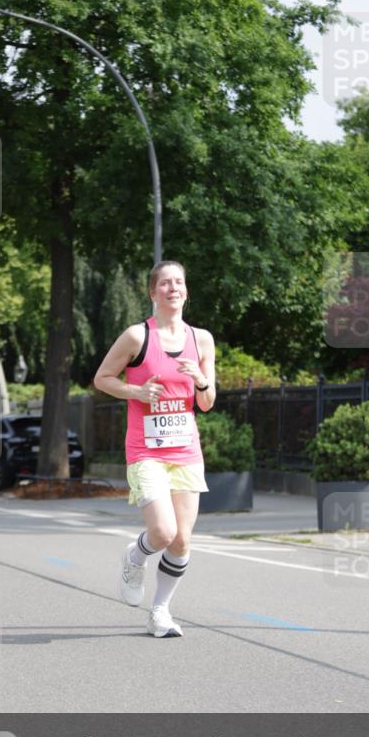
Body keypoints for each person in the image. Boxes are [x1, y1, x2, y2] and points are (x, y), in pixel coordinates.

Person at [94, 260, 215, 638]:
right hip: (145, 449)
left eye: (179, 282)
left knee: (181, 539)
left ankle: (160, 611)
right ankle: (136, 557)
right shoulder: (136, 337)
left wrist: (200, 382)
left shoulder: (202, 340)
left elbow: (208, 402)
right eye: (165, 283)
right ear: (152, 292)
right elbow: (102, 378)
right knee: (162, 533)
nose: (173, 288)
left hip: (185, 450)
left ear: (186, 291)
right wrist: (136, 391)